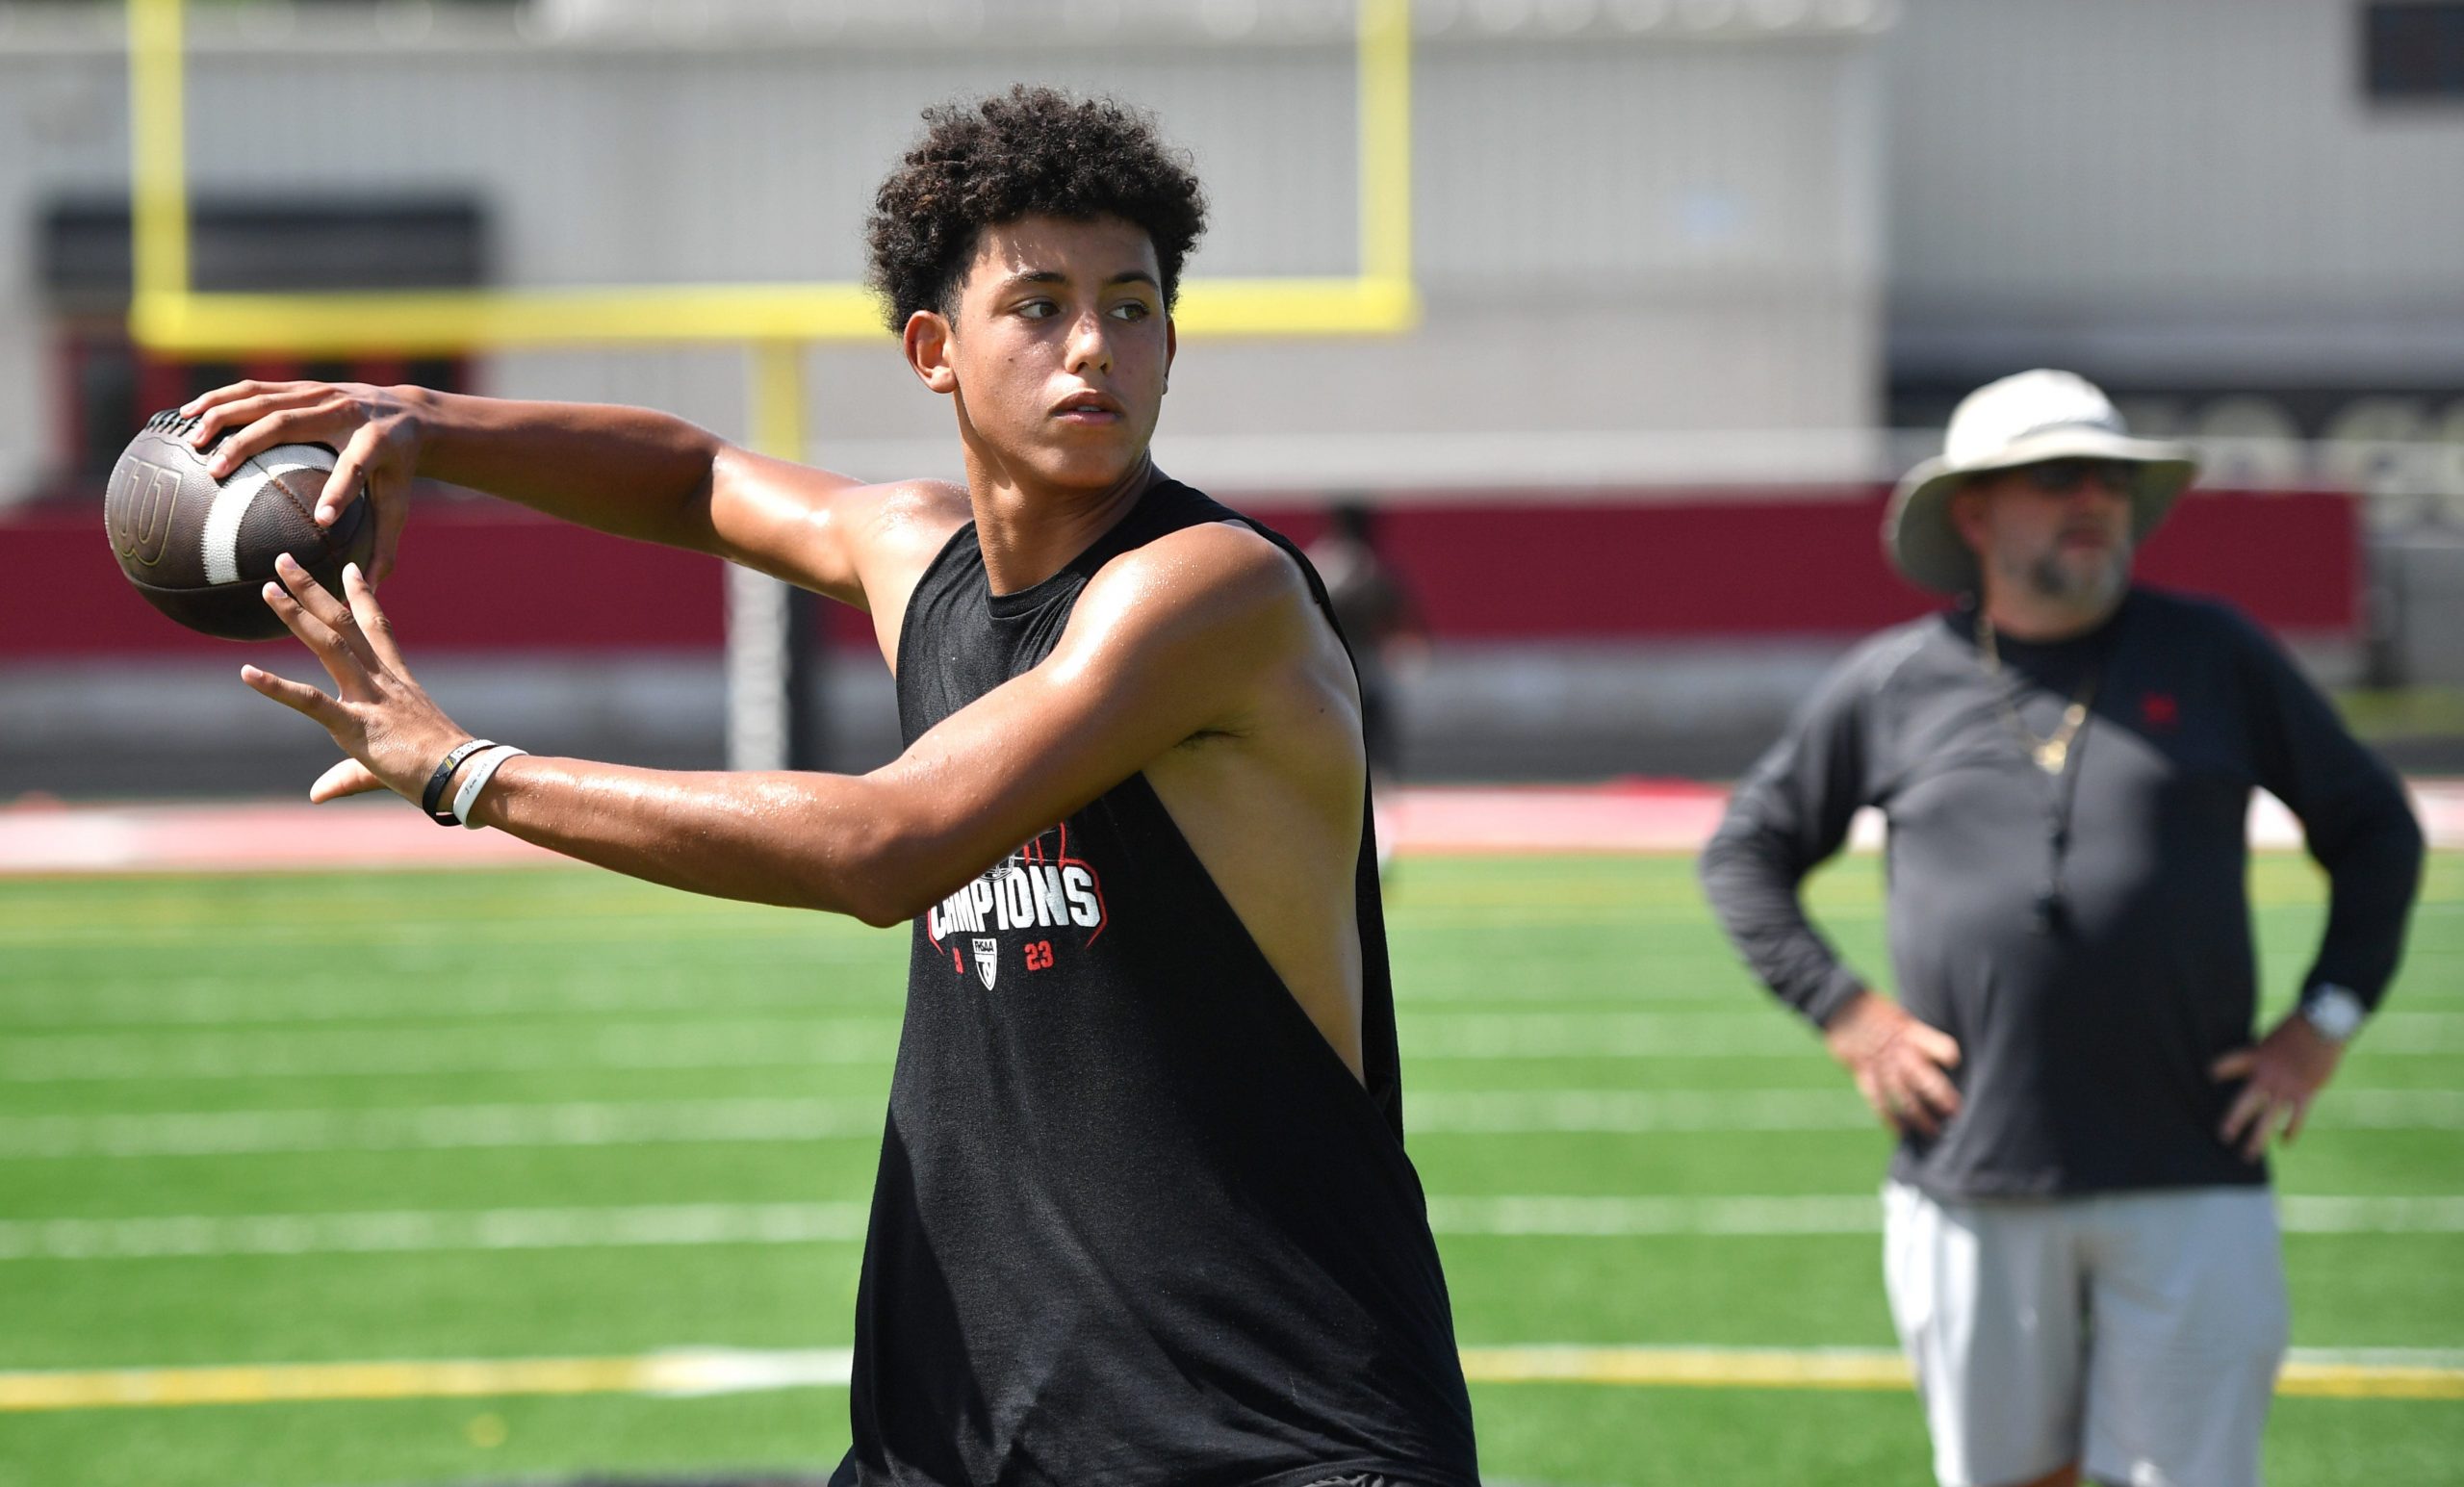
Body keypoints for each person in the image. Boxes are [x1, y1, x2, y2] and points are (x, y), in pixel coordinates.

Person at [185, 87, 1479, 1487]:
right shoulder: (918, 555)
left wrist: (469, 772)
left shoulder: (1205, 591)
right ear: (934, 348)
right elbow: (697, 480)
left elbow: (886, 844)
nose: (1094, 346)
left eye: (1133, 305)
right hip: (979, 1436)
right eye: (1038, 307)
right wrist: (424, 414)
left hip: (1269, 1434)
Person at [1698, 369, 2423, 1487]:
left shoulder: (2216, 655)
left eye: (2111, 478)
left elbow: (2375, 828)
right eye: (2056, 475)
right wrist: (1847, 1015)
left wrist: (2323, 1019)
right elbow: (1745, 852)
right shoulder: (1892, 681)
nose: (2093, 497)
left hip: (2193, 1165)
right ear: (1975, 513)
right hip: (1972, 1171)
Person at [1305, 502, 1428, 871]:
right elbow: (1408, 628)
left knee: (1330, 766)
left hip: (1324, 681)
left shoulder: (1317, 564)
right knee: (1377, 771)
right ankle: (1377, 848)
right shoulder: (1374, 570)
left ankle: (1337, 846)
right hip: (1368, 683)